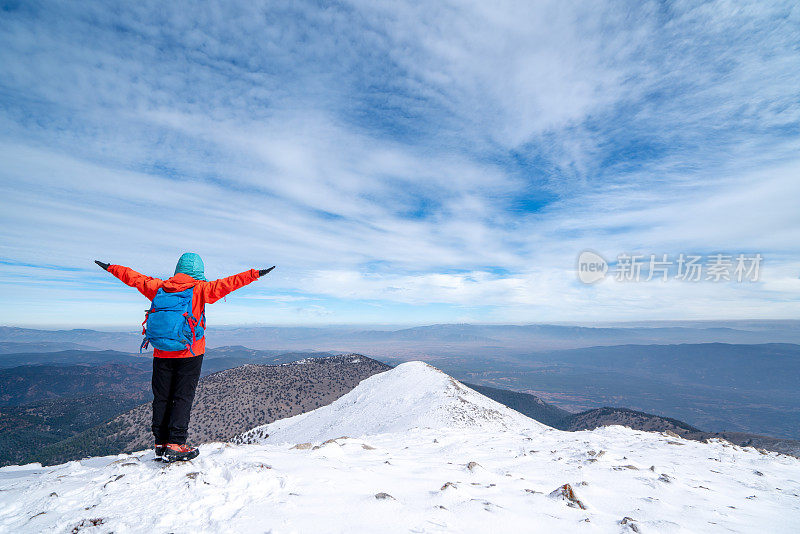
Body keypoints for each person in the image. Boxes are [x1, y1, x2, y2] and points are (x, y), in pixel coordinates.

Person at [94, 253, 274, 462]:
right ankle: (176, 444)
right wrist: (255, 274)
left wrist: (111, 267)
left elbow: (133, 278)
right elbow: (229, 283)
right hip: (190, 352)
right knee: (182, 397)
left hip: (161, 351)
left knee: (162, 397)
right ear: (199, 272)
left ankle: (160, 443)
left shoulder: (158, 287)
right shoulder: (200, 289)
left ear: (178, 269)